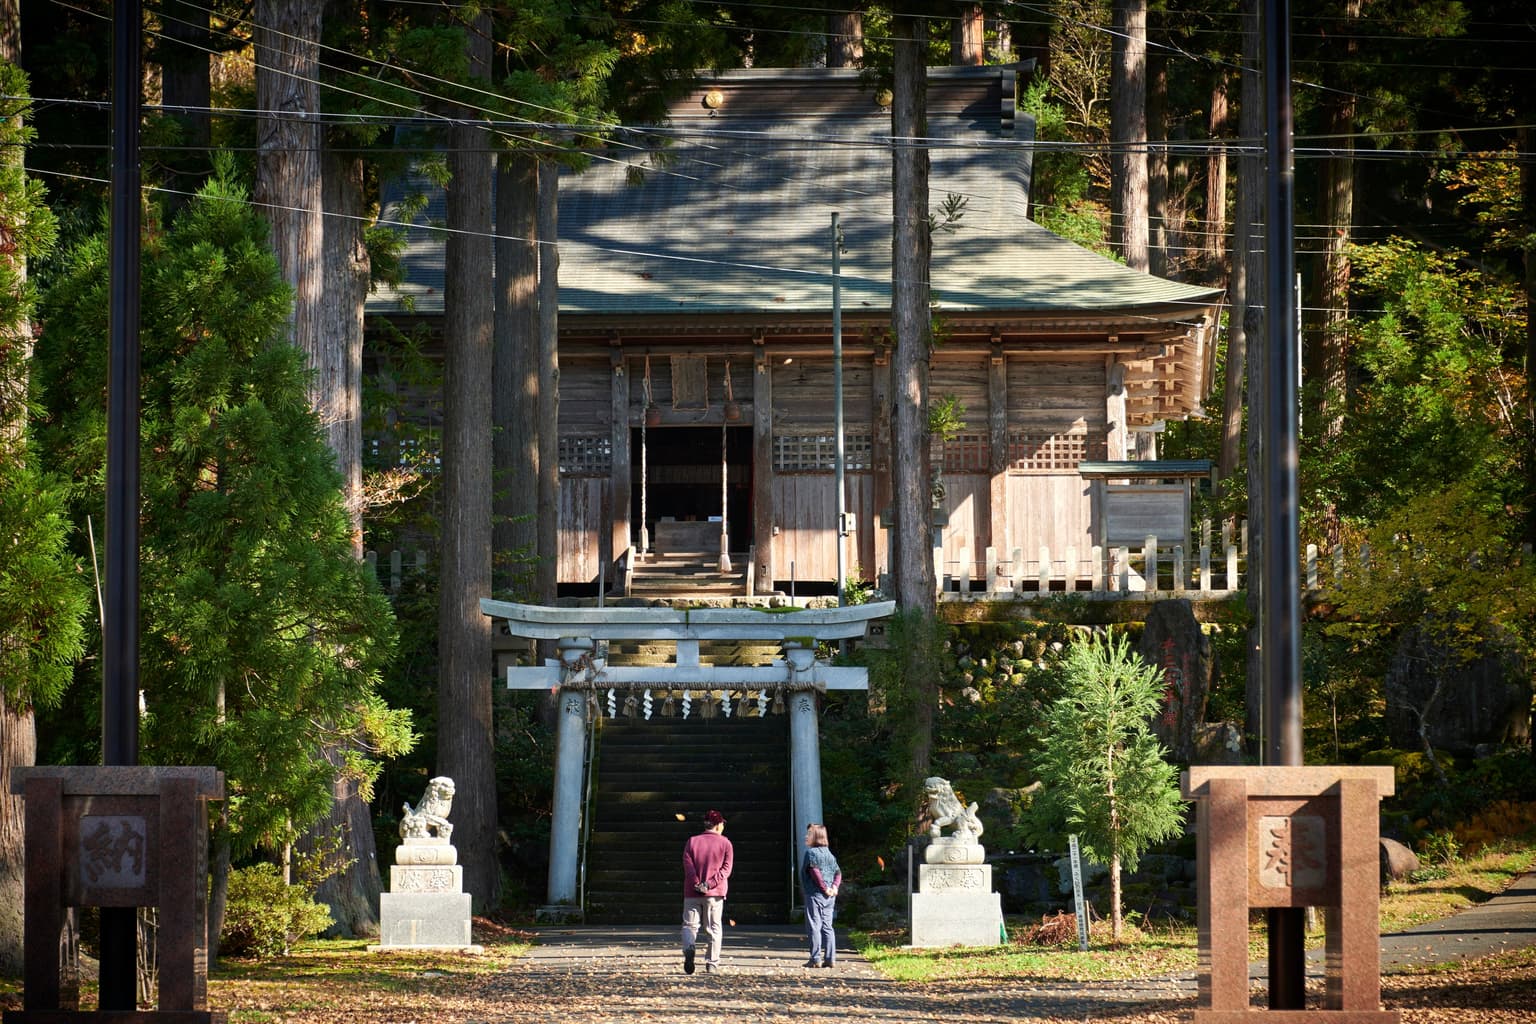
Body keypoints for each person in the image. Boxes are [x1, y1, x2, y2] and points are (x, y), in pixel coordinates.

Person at [682, 808, 733, 974]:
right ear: (718, 825)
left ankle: (689, 947)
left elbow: (688, 866)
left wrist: (697, 883)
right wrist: (709, 884)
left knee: (690, 926)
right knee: (713, 928)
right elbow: (726, 869)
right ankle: (712, 963)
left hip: (692, 891)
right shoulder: (726, 843)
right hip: (715, 893)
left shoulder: (692, 841)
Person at [800, 822, 842, 968]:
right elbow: (838, 873)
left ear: (816, 837)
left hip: (815, 894)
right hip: (830, 896)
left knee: (814, 926)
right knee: (827, 926)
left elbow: (815, 873)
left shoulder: (811, 853)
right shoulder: (829, 854)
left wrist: (824, 888)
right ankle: (830, 958)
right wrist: (834, 887)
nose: (806, 836)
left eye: (809, 834)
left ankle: (815, 958)